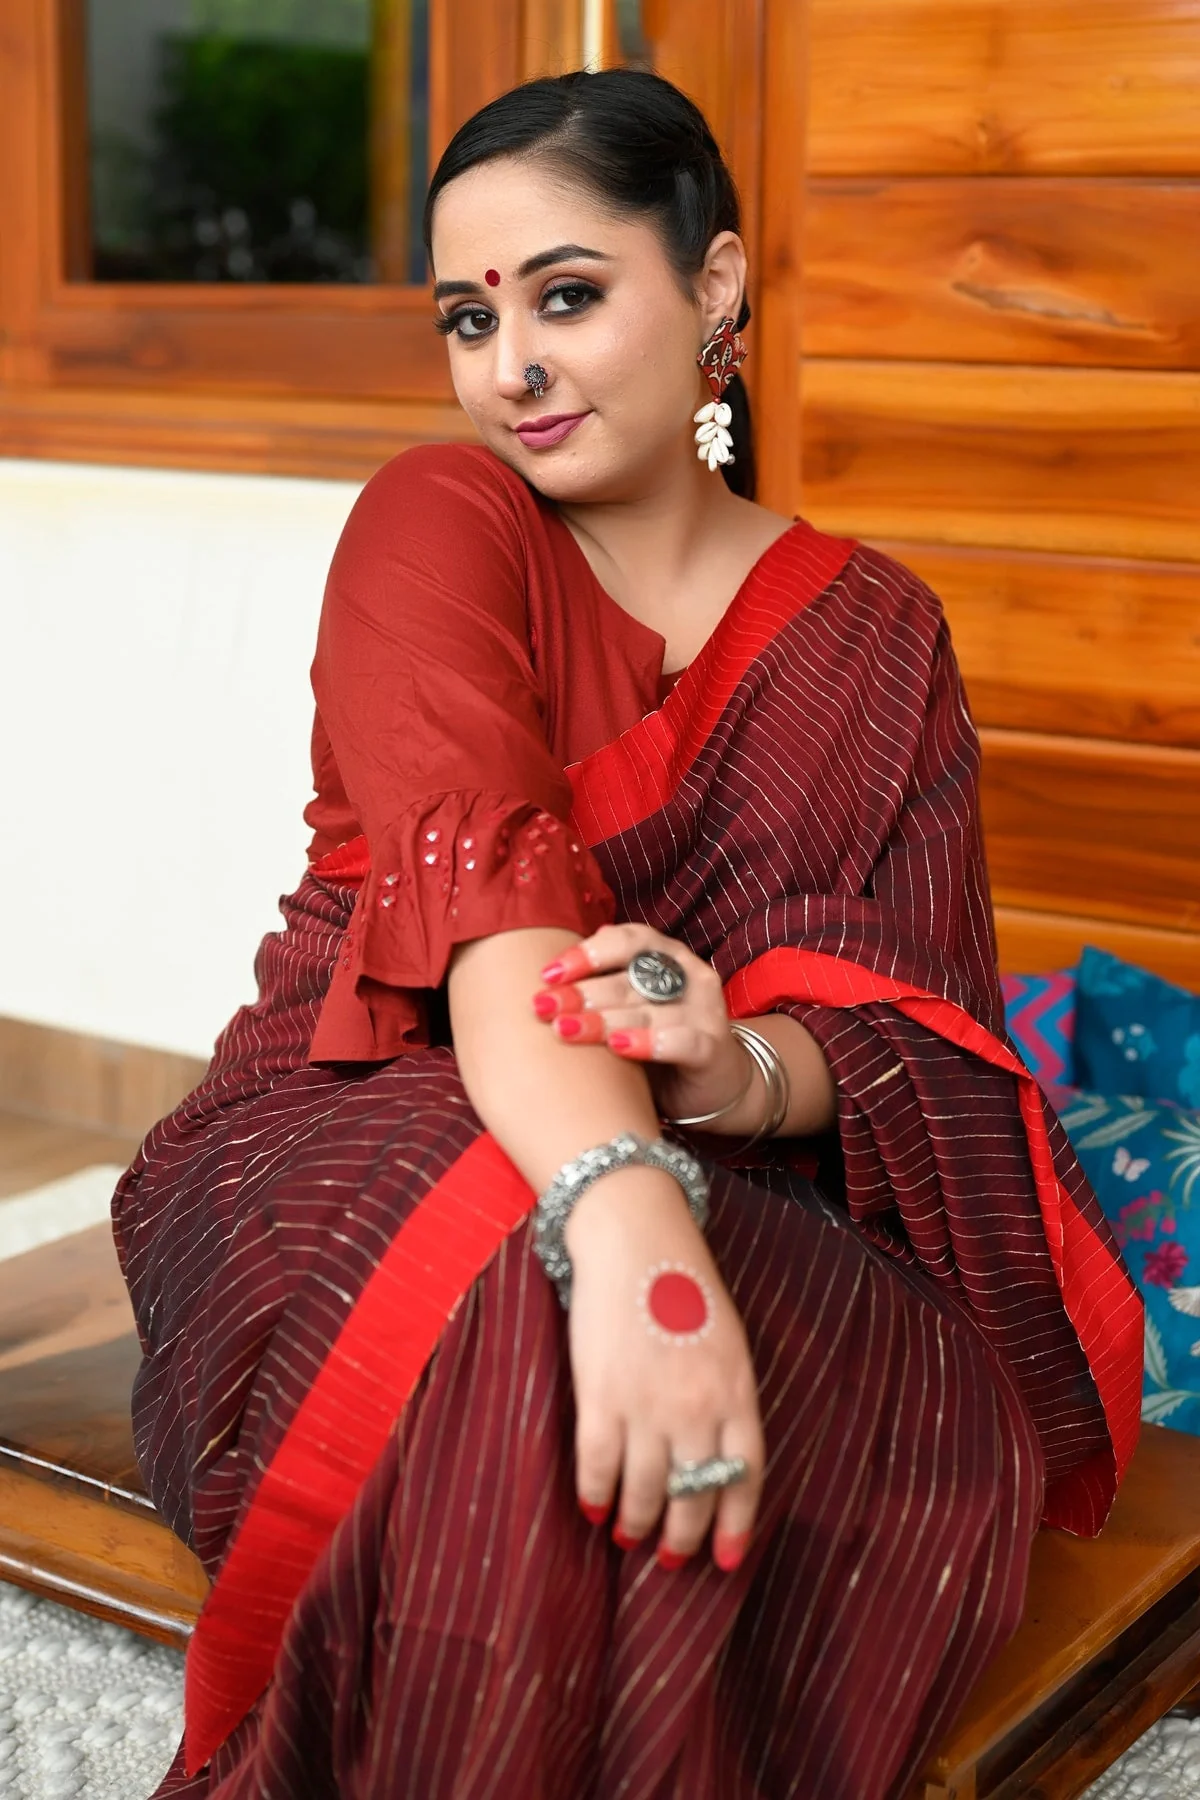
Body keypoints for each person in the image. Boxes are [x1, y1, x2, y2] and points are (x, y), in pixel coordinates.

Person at [114, 68, 1143, 1800]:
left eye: (567, 296)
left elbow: (915, 1026)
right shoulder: (438, 519)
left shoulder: (875, 633)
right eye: (470, 318)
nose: (510, 364)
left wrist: (726, 1066)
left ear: (714, 286)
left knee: (842, 1390)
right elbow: (496, 916)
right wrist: (631, 1228)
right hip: (365, 1107)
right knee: (526, 1289)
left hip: (756, 1178)